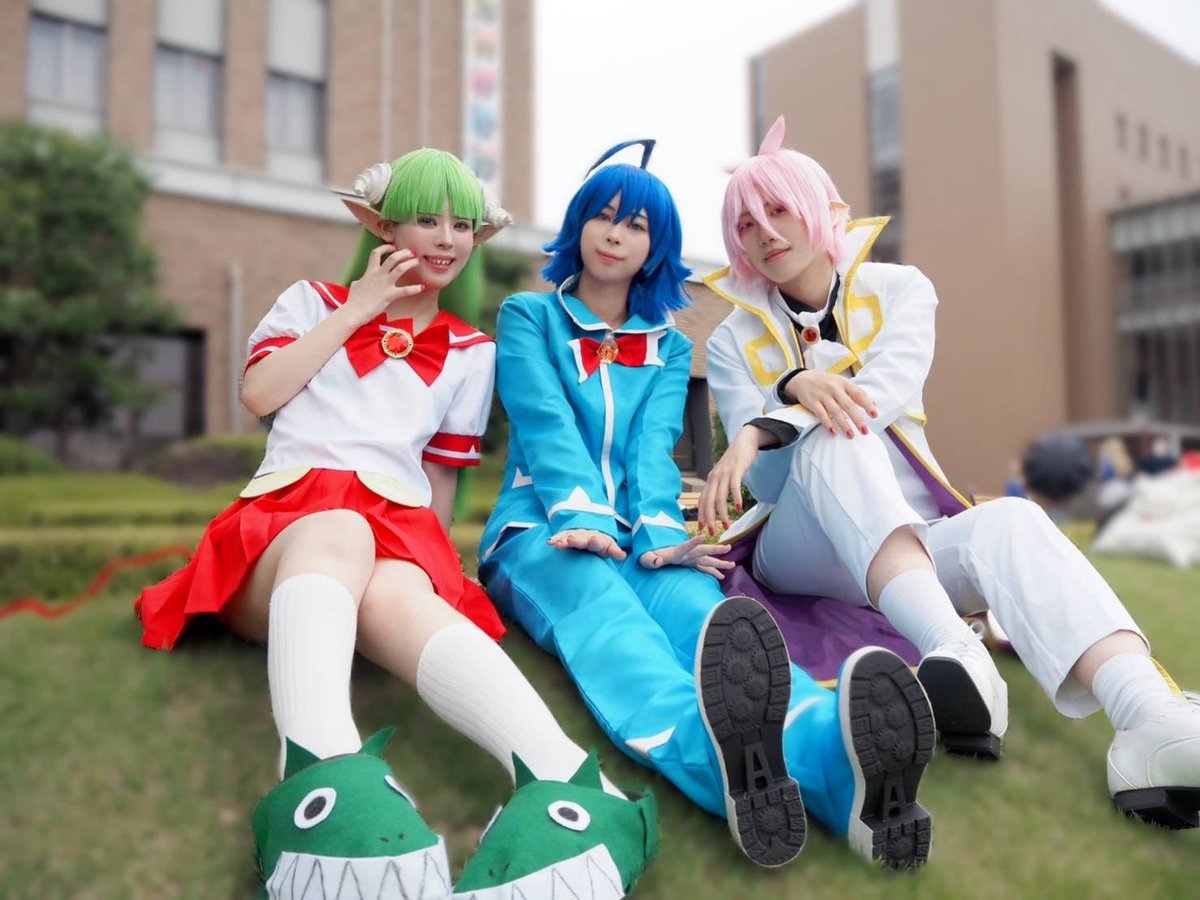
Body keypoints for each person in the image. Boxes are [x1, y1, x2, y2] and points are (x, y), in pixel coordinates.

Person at [134, 148, 656, 896]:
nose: (446, 238)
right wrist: (356, 310)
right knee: (339, 529)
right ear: (382, 226)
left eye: (462, 225)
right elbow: (260, 394)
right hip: (284, 528)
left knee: (399, 592)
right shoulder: (310, 301)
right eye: (426, 220)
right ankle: (318, 773)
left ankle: (572, 782)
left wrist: (432, 573)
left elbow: (439, 479)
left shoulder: (471, 353)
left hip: (392, 534)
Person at [700, 116, 1200, 827]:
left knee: (1013, 521)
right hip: (799, 550)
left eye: (779, 209)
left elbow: (881, 394)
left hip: (910, 535)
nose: (764, 233)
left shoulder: (901, 289)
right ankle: (952, 650)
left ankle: (1148, 720)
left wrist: (775, 406)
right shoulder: (730, 339)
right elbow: (769, 485)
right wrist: (790, 391)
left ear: (825, 209)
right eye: (746, 223)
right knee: (835, 443)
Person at [478, 140, 938, 870]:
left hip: (642, 537)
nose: (615, 234)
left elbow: (651, 455)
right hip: (542, 530)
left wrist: (667, 539)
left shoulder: (666, 346)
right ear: (578, 224)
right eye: (602, 216)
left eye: (636, 225)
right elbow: (545, 427)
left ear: (655, 247)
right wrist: (585, 521)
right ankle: (722, 763)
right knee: (614, 627)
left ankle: (834, 757)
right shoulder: (527, 316)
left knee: (707, 616)